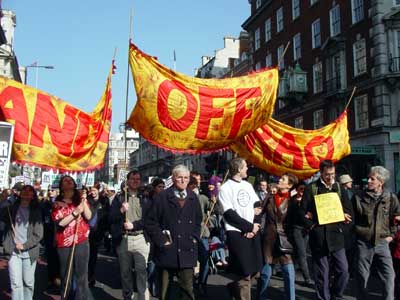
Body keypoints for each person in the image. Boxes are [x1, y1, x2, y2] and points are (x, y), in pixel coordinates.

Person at [145, 164, 202, 300]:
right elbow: (151, 222)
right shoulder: (162, 197)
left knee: (188, 290)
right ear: (174, 178)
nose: (183, 181)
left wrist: (194, 237)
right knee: (165, 291)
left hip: (187, 250)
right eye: (180, 178)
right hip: (167, 250)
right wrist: (162, 241)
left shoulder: (193, 198)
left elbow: (197, 221)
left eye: (186, 178)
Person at [301, 160, 353, 300]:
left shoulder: (339, 188)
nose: (330, 178)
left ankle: (336, 295)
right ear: (321, 173)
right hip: (319, 238)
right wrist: (312, 226)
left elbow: (349, 212)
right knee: (322, 274)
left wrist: (343, 226)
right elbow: (302, 213)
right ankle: (324, 297)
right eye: (327, 175)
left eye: (333, 174)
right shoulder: (311, 188)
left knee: (343, 270)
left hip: (337, 237)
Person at [353, 166, 400, 300]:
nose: (368, 181)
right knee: (362, 276)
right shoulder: (358, 197)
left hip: (383, 242)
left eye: (372, 179)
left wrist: (391, 236)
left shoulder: (391, 198)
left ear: (381, 182)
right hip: (363, 242)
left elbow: (396, 218)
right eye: (368, 178)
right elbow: (351, 219)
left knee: (389, 275)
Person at [218, 157, 263, 300]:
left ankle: (233, 288)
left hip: (252, 231)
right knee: (245, 272)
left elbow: (257, 204)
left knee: (256, 271)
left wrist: (254, 226)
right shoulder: (225, 188)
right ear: (238, 169)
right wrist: (248, 228)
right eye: (245, 167)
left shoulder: (248, 185)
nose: (247, 169)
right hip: (237, 232)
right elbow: (229, 214)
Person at [109, 170, 151, 300]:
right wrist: (121, 210)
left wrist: (135, 225)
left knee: (141, 271)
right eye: (132, 179)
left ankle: (143, 297)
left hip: (141, 238)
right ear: (127, 180)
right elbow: (110, 218)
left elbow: (150, 219)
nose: (135, 181)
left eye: (138, 179)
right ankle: (127, 296)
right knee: (125, 273)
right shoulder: (120, 197)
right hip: (124, 239)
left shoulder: (146, 197)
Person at [51, 175, 92, 300]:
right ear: (61, 186)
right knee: (66, 275)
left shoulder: (81, 200)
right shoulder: (57, 203)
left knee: (82, 276)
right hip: (64, 243)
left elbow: (88, 216)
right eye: (65, 181)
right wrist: (75, 213)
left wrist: (83, 202)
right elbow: (61, 223)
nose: (68, 181)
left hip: (81, 241)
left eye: (70, 180)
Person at [259, 173, 298, 300]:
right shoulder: (270, 197)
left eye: (283, 179)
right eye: (280, 178)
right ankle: (261, 297)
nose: (279, 180)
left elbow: (299, 218)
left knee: (289, 274)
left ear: (289, 185)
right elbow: (259, 211)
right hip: (269, 240)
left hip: (285, 240)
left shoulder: (294, 201)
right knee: (265, 274)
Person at [1, 185, 43, 300]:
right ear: (19, 193)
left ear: (33, 195)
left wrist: (24, 245)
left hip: (29, 252)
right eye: (24, 189)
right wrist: (2, 199)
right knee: (15, 283)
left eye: (30, 191)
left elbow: (39, 234)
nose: (26, 192)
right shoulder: (11, 209)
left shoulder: (36, 212)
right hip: (13, 251)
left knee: (28, 283)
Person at [287, 181, 313, 286]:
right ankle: (307, 278)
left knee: (298, 253)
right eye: (301, 189)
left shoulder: (308, 201)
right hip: (296, 229)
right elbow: (293, 216)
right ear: (297, 190)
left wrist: (310, 216)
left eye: (304, 189)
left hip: (305, 230)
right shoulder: (293, 201)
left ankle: (289, 271)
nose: (303, 191)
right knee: (302, 253)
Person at [188, 173, 210, 295]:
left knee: (205, 260)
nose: (194, 186)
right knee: (189, 261)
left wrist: (214, 200)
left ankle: (202, 283)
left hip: (202, 233)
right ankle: (189, 283)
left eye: (196, 184)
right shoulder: (183, 197)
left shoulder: (202, 198)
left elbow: (214, 209)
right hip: (188, 234)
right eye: (192, 184)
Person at [87, 186, 110, 287]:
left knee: (92, 256)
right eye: (91, 190)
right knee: (85, 256)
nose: (93, 192)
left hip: (97, 233)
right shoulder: (87, 201)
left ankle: (91, 277)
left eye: (94, 190)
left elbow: (107, 215)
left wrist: (106, 230)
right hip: (86, 232)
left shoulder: (104, 201)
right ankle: (85, 276)